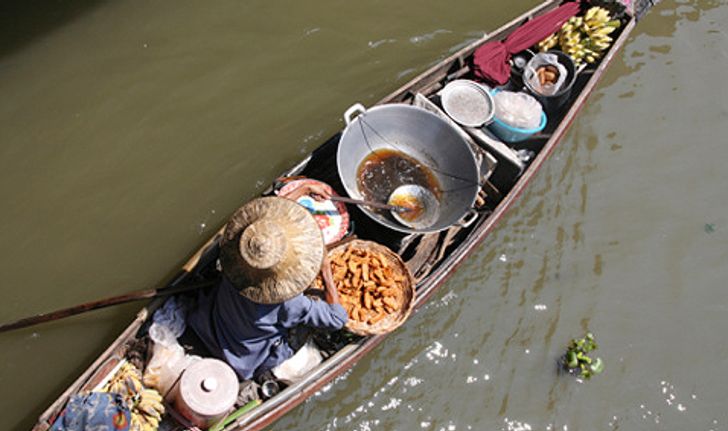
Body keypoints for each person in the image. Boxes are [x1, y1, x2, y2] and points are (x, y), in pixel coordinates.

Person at [188, 195, 348, 381]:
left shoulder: (234, 257)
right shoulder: (290, 302)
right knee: (304, 328)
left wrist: (304, 189)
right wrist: (326, 270)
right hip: (243, 358)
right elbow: (338, 319)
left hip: (212, 325)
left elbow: (263, 212)